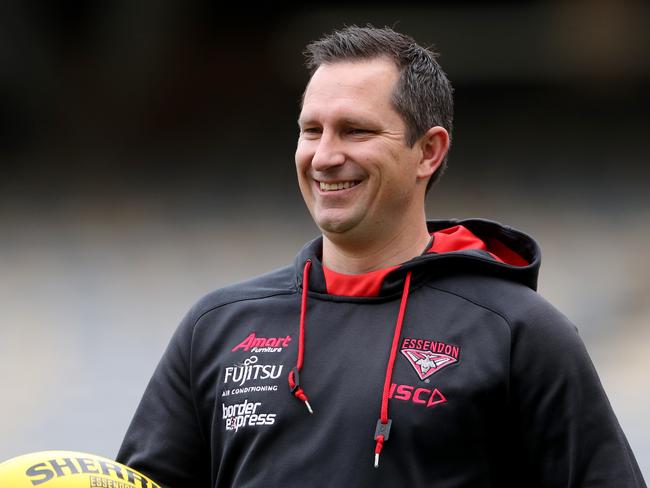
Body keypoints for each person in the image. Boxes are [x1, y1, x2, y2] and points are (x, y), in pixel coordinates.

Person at [117, 25, 646, 487]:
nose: (325, 156)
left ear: (429, 151)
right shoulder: (217, 327)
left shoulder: (520, 333)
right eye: (311, 130)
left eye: (356, 130)